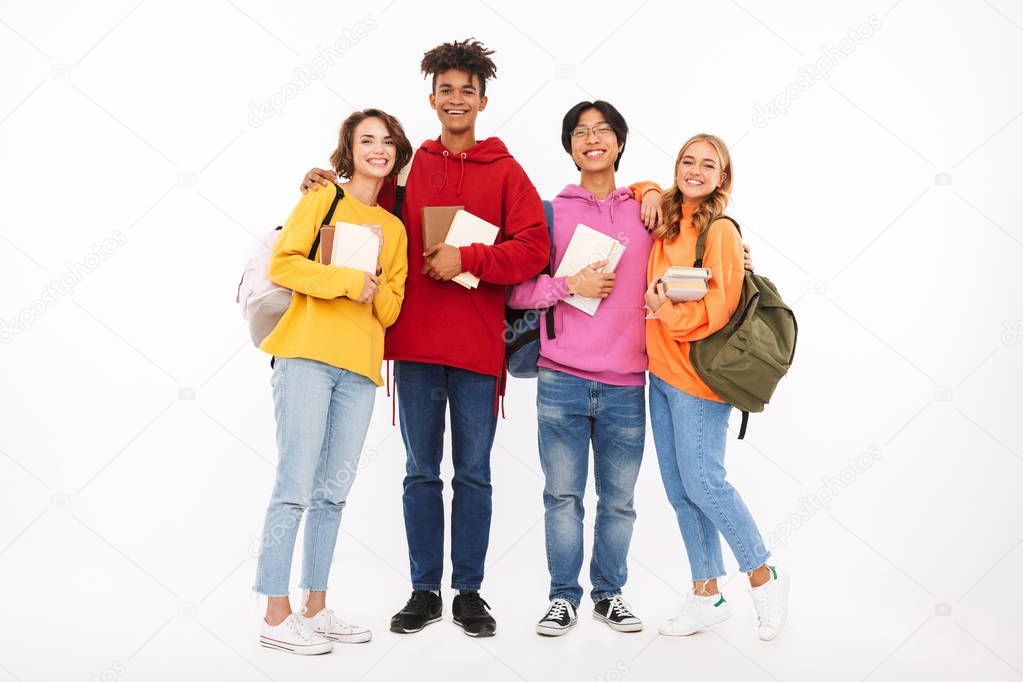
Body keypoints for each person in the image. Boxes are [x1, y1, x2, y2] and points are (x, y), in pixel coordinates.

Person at [301, 39, 550, 638]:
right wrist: (323, 184)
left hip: (476, 348)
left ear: (483, 99)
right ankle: (423, 589)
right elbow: (357, 208)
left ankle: (468, 591)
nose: (457, 98)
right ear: (432, 99)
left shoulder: (508, 171)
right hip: (411, 345)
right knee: (420, 472)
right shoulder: (408, 168)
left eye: (468, 89)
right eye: (447, 89)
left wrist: (467, 255)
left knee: (474, 473)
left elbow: (535, 249)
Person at [253, 109, 412, 654]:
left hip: (360, 370)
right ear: (348, 149)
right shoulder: (324, 198)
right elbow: (284, 266)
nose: (377, 149)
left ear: (396, 153)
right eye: (366, 140)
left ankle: (315, 607)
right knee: (294, 486)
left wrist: (376, 290)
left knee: (333, 494)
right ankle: (276, 614)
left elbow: (391, 308)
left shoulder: (394, 229)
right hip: (305, 357)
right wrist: (348, 281)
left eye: (387, 142)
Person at [508, 101, 650, 637]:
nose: (592, 139)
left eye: (603, 131)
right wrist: (571, 286)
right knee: (562, 496)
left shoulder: (646, 212)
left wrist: (737, 255)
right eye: (581, 133)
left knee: (619, 501)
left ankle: (609, 594)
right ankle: (563, 596)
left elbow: (684, 255)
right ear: (570, 147)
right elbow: (518, 290)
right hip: (560, 377)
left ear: (619, 142)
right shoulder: (549, 213)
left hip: (628, 382)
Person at [643, 134, 789, 640]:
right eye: (688, 161)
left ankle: (763, 574)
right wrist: (645, 191)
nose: (696, 171)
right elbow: (635, 189)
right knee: (681, 490)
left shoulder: (721, 230)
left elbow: (718, 310)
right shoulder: (663, 219)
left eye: (709, 165)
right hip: (658, 376)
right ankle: (706, 595)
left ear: (722, 177)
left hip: (698, 380)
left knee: (706, 483)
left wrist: (664, 311)